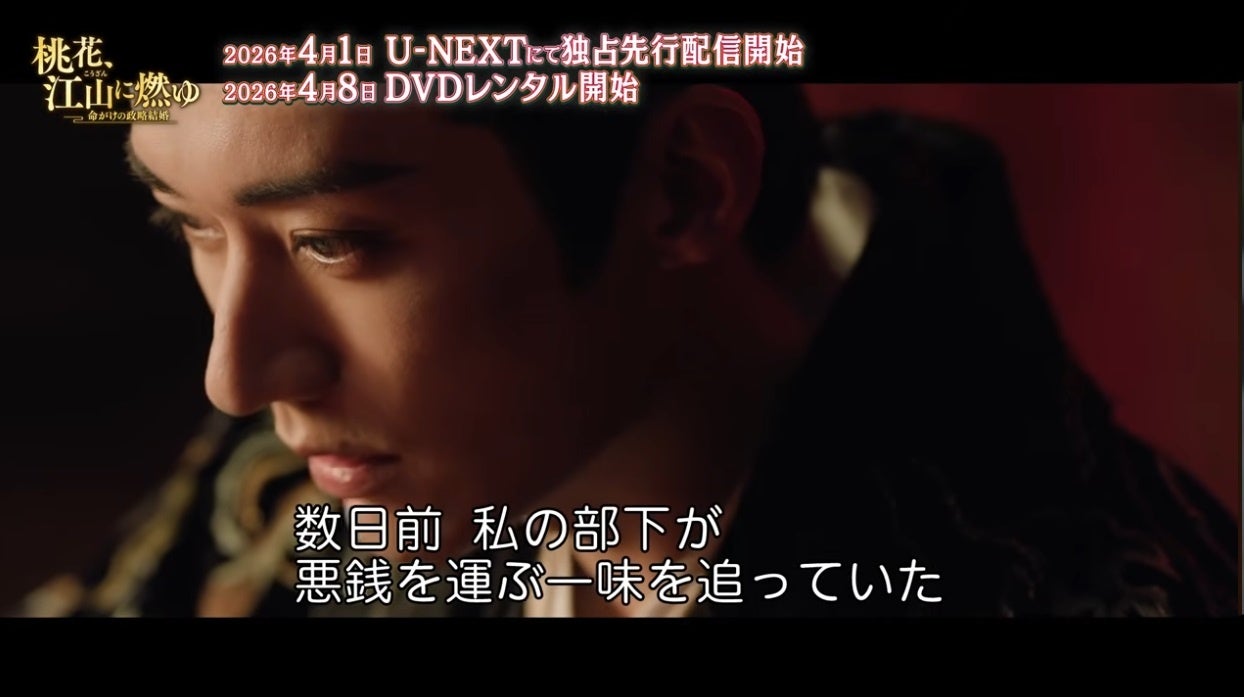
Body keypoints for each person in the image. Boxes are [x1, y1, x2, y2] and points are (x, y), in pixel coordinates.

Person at [16, 82, 1239, 618]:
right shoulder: (343, 457)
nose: (237, 375)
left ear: (683, 190)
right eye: (191, 229)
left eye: (337, 243)